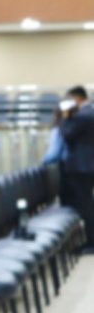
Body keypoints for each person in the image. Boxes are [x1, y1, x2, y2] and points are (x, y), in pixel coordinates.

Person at [59, 85, 94, 254]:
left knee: (86, 206)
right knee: (89, 205)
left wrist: (65, 118)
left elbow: (67, 134)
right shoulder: (90, 112)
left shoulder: (82, 115)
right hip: (88, 165)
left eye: (69, 99)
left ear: (76, 98)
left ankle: (91, 243)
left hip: (82, 167)